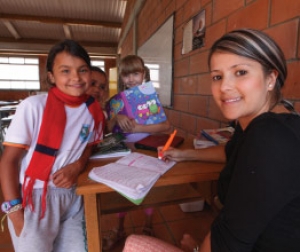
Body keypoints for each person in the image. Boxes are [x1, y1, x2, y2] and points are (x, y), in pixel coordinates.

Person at [123, 28, 300, 252]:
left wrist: (197, 249)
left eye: (241, 72)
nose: (224, 87)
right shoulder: (266, 121)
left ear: (271, 78)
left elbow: (227, 243)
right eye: (217, 76)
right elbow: (232, 151)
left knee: (133, 245)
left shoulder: (270, 137)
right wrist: (184, 154)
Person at [0, 39, 104, 252]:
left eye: (82, 70)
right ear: (51, 76)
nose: (75, 77)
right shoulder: (33, 107)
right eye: (65, 70)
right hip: (35, 198)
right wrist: (14, 211)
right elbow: (9, 161)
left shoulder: (93, 110)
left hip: (74, 196)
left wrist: (77, 166)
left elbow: (90, 145)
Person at [102, 55, 172, 251]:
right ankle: (119, 227)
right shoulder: (116, 102)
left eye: (136, 73)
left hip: (147, 149)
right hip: (124, 152)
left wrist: (139, 127)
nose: (131, 79)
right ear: (121, 78)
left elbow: (166, 125)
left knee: (149, 187)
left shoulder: (150, 98)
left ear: (144, 74)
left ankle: (148, 224)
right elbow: (107, 128)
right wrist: (117, 117)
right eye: (126, 75)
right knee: (122, 188)